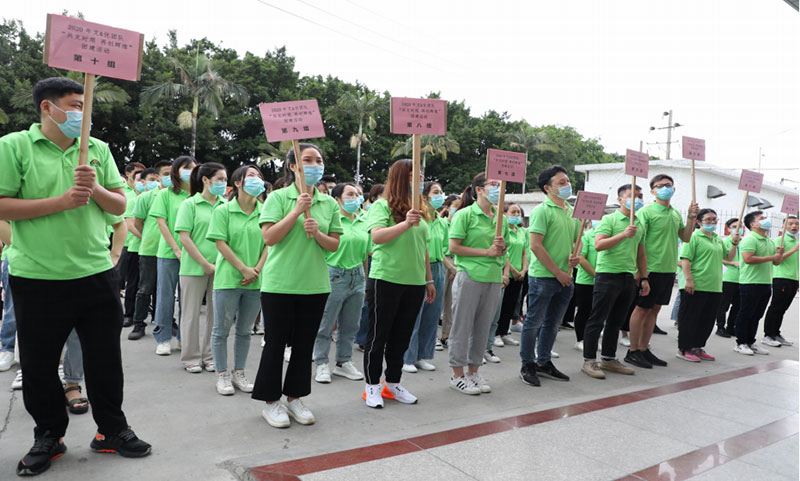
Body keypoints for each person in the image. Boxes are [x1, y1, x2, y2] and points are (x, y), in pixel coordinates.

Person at [0, 77, 150, 476]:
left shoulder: (98, 149)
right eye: (74, 104)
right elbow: (1, 205)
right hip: (37, 277)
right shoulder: (14, 146)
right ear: (47, 108)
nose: (82, 113)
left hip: (96, 272)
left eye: (85, 105)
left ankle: (112, 431)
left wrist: (95, 187)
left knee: (106, 360)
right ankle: (49, 434)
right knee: (37, 364)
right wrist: (62, 201)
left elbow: (119, 204)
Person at [252, 143, 342, 428]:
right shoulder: (277, 198)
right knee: (275, 344)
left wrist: (317, 234)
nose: (315, 165)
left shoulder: (328, 203)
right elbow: (269, 238)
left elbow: (334, 245)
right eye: (307, 160)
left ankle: (294, 398)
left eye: (319, 160)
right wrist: (295, 212)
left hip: (315, 284)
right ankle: (271, 402)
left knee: (304, 346)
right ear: (293, 166)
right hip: (279, 283)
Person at [363, 159, 435, 408]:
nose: (421, 180)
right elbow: (377, 237)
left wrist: (428, 280)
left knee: (402, 336)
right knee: (378, 336)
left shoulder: (423, 209)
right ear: (402, 178)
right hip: (386, 279)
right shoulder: (382, 206)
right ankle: (372, 386)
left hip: (414, 282)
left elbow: (423, 248)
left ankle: (393, 383)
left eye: (423, 175)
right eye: (416, 175)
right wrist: (405, 223)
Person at [207, 165, 267, 395]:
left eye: (259, 176)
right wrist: (243, 269)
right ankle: (222, 374)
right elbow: (220, 243)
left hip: (256, 280)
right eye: (251, 176)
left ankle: (239, 372)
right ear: (239, 183)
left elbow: (269, 243)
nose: (257, 180)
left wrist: (257, 269)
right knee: (220, 330)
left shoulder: (266, 211)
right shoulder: (223, 211)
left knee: (244, 331)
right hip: (229, 279)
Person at [627, 174, 698, 368]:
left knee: (654, 310)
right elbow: (637, 243)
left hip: (667, 269)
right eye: (660, 186)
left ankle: (643, 348)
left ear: (674, 189)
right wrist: (640, 273)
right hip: (649, 269)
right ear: (652, 191)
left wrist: (691, 218)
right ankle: (632, 351)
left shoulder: (674, 213)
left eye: (668, 185)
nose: (665, 188)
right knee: (641, 309)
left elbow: (685, 237)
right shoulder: (646, 213)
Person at [447, 173, 508, 394]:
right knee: (462, 326)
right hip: (470, 275)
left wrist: (501, 249)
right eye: (493, 184)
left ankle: (474, 372)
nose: (498, 189)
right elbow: (453, 247)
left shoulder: (500, 217)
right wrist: (487, 251)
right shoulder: (465, 215)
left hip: (493, 277)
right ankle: (457, 374)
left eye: (500, 185)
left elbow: (504, 249)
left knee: (483, 328)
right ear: (479, 190)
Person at [520, 166, 579, 386]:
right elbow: (535, 245)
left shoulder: (572, 210)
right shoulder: (541, 211)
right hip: (544, 277)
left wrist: (576, 255)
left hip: (566, 277)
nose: (567, 185)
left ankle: (544, 362)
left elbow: (577, 239)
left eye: (567, 181)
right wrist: (558, 272)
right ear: (548, 188)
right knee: (533, 323)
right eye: (561, 182)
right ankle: (527, 364)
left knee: (553, 324)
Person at [580, 185, 647, 379]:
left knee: (616, 321)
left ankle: (608, 358)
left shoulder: (640, 223)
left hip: (628, 276)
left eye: (640, 195)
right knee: (597, 319)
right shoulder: (610, 219)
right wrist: (623, 234)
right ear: (620, 199)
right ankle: (589, 360)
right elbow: (599, 244)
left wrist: (644, 277)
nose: (637, 198)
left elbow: (641, 254)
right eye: (632, 195)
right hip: (607, 275)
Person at [313, 182, 368, 383]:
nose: (356, 198)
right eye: (350, 194)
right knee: (326, 323)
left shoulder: (363, 221)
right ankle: (321, 363)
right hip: (334, 275)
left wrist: (365, 278)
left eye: (358, 194)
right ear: (337, 199)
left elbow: (365, 255)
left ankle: (343, 362)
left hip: (358, 275)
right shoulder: (332, 223)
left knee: (351, 324)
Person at [174, 162, 226, 373]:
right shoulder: (190, 204)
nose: (223, 183)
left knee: (217, 314)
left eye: (225, 179)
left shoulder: (225, 204)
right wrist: (204, 264)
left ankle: (210, 355)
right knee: (191, 313)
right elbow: (184, 238)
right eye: (220, 179)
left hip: (222, 268)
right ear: (206, 180)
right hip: (193, 267)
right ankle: (191, 357)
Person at [676, 209, 739, 362]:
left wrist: (734, 244)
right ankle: (685, 348)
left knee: (707, 319)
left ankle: (698, 346)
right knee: (690, 318)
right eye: (708, 219)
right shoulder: (694, 237)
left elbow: (728, 256)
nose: (712, 222)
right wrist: (689, 279)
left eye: (715, 219)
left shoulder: (717, 239)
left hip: (714, 285)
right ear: (698, 222)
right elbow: (685, 259)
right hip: (697, 284)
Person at [151, 155, 197, 355]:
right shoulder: (166, 194)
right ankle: (163, 338)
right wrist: (177, 249)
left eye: (193, 168)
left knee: (188, 298)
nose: (189, 172)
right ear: (176, 171)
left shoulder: (199, 195)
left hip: (194, 254)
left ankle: (183, 338)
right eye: (185, 168)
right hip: (169, 253)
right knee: (166, 296)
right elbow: (162, 223)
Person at [403, 182, 450, 373]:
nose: (440, 195)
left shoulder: (441, 221)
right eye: (435, 192)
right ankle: (408, 356)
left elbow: (444, 250)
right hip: (418, 266)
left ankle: (422, 355)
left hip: (438, 268)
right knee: (414, 314)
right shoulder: (419, 218)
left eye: (441, 192)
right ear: (424, 196)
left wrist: (451, 268)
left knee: (431, 314)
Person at [130, 162, 172, 340]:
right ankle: (139, 323)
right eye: (165, 174)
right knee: (145, 287)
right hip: (149, 249)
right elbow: (137, 222)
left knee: (165, 290)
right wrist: (147, 237)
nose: (167, 177)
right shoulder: (145, 197)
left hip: (170, 250)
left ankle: (163, 321)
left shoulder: (175, 196)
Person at [734, 211, 784, 355]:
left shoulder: (769, 240)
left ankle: (750, 341)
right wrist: (771, 257)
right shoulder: (750, 239)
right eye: (761, 219)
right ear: (752, 224)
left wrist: (779, 255)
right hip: (750, 283)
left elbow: (776, 262)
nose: (765, 220)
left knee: (756, 315)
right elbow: (748, 259)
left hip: (765, 282)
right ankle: (740, 342)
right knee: (746, 313)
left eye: (765, 218)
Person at [493, 202, 527, 349]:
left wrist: (523, 270)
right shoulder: (502, 231)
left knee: (511, 305)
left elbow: (525, 252)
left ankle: (504, 332)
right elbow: (504, 252)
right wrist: (512, 270)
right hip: (506, 272)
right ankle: (495, 334)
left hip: (519, 275)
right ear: (505, 214)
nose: (516, 215)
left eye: (518, 213)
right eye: (513, 212)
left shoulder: (521, 232)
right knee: (499, 306)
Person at [762, 215, 798, 347]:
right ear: (783, 226)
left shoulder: (796, 241)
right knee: (776, 307)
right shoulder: (779, 241)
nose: (794, 226)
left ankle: (776, 333)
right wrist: (794, 250)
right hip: (781, 278)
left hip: (793, 279)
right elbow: (778, 259)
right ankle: (768, 335)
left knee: (783, 308)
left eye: (796, 224)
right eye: (790, 224)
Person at [571, 220, 598, 351]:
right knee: (584, 311)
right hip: (586, 281)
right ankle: (580, 339)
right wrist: (596, 275)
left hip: (602, 282)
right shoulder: (586, 236)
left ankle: (591, 339)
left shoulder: (607, 237)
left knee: (596, 313)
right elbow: (581, 258)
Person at [439, 195, 461, 349]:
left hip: (457, 262)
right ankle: (431, 336)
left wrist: (456, 267)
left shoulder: (460, 224)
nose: (458, 210)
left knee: (451, 303)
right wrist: (451, 267)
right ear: (447, 208)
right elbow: (437, 249)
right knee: (436, 302)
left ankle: (446, 335)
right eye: (455, 206)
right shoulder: (442, 224)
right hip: (443, 261)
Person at [715, 219, 743, 338]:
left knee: (738, 305)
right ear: (728, 228)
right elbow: (719, 258)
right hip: (728, 277)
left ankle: (731, 326)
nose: (737, 228)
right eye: (734, 226)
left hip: (742, 278)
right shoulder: (724, 241)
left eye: (739, 226)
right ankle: (720, 327)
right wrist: (732, 263)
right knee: (723, 305)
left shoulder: (745, 242)